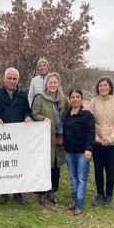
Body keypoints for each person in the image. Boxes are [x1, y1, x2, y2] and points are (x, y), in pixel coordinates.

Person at [0, 67, 32, 204]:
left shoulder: (23, 95)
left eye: (14, 79)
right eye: (9, 78)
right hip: (3, 136)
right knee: (4, 164)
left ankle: (18, 192)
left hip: (18, 136)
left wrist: (27, 117)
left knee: (18, 163)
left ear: (18, 80)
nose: (12, 81)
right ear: (4, 78)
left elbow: (28, 111)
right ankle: (4, 192)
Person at [31, 72, 70, 206]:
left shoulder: (63, 99)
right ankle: (41, 193)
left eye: (55, 82)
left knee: (55, 165)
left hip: (58, 138)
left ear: (58, 84)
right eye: (50, 82)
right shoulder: (40, 98)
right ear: (46, 84)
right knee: (43, 164)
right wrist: (43, 118)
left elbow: (72, 109)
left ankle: (51, 190)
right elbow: (34, 112)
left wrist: (84, 108)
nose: (52, 85)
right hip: (44, 137)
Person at [89, 76, 114, 209]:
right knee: (98, 170)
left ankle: (109, 196)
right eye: (100, 86)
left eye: (105, 85)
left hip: (112, 143)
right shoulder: (93, 101)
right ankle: (99, 194)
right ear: (97, 88)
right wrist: (98, 139)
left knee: (110, 170)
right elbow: (90, 121)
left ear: (110, 87)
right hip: (97, 143)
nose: (102, 88)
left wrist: (109, 139)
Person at [62, 89, 95, 216]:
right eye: (73, 97)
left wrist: (88, 149)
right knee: (72, 176)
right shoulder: (67, 113)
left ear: (82, 99)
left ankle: (79, 204)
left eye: (78, 97)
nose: (75, 99)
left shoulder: (87, 115)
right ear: (70, 99)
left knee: (82, 178)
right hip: (69, 151)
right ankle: (74, 199)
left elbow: (91, 133)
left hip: (82, 152)